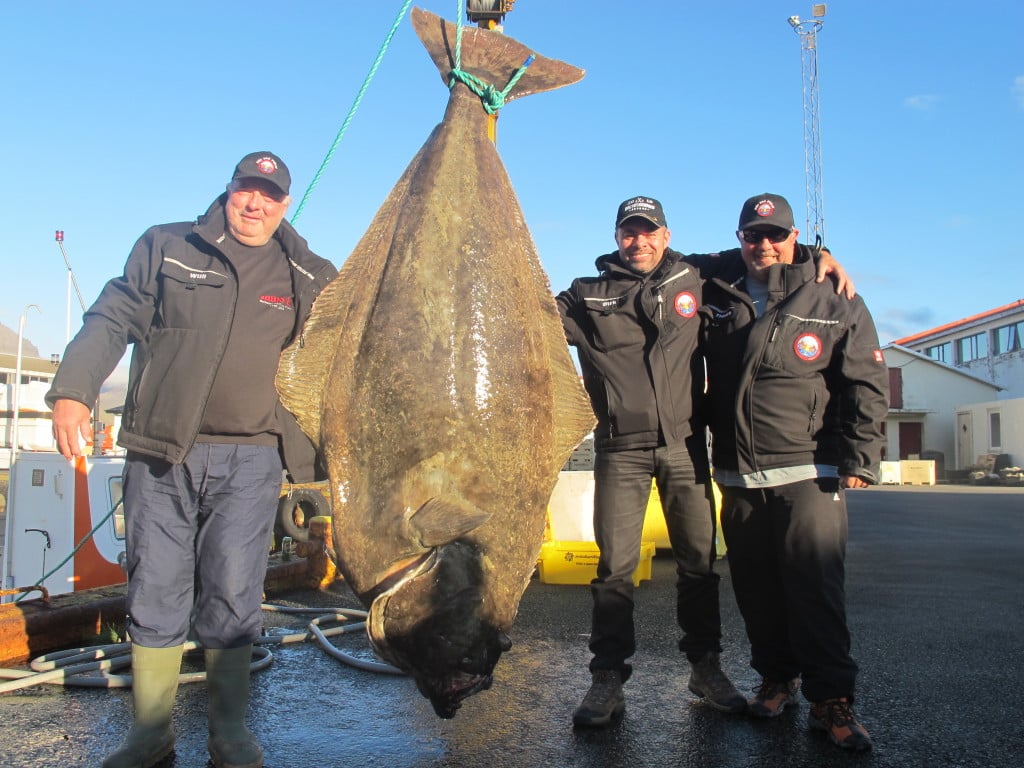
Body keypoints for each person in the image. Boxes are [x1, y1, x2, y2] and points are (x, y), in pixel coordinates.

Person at [46, 152, 337, 768]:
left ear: (285, 204)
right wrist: (73, 389)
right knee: (154, 586)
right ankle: (151, 734)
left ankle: (227, 732)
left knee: (233, 595)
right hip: (162, 451)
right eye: (245, 190)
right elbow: (111, 316)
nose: (253, 204)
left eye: (268, 195)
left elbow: (340, 365)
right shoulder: (166, 245)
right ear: (229, 190)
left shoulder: (310, 275)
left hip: (254, 459)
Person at [556, 195, 851, 728]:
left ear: (666, 236)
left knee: (697, 564)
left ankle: (705, 667)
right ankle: (606, 679)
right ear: (616, 236)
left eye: (649, 231)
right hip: (620, 450)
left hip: (685, 446)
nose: (638, 241)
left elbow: (765, 252)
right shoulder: (584, 295)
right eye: (629, 231)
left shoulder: (695, 277)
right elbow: (526, 324)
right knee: (614, 570)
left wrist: (819, 255)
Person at [699, 193, 888, 751]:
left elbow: (867, 381)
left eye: (776, 235)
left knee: (815, 591)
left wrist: (860, 456)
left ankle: (832, 702)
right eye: (753, 236)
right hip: (737, 473)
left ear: (795, 235)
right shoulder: (717, 286)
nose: (764, 245)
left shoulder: (832, 294)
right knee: (757, 591)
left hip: (809, 470)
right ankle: (777, 680)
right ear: (739, 239)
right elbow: (668, 262)